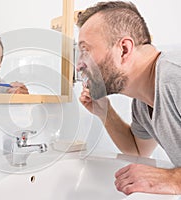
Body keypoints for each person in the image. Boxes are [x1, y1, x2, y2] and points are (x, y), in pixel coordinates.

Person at [77, 1, 181, 195]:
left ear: (124, 49)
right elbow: (137, 151)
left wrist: (174, 178)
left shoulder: (175, 77)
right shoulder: (142, 104)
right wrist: (104, 112)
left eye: (86, 51)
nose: (79, 66)